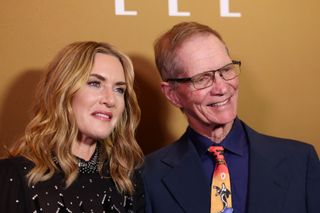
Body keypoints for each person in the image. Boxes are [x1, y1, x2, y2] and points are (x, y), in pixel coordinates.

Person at [143, 22, 320, 213]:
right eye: (202, 78)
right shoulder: (148, 176)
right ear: (172, 94)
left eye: (226, 70)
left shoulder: (300, 162)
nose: (221, 88)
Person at [0, 41, 144, 212]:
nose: (110, 100)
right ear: (63, 91)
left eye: (119, 90)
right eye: (95, 83)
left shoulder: (127, 181)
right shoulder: (13, 176)